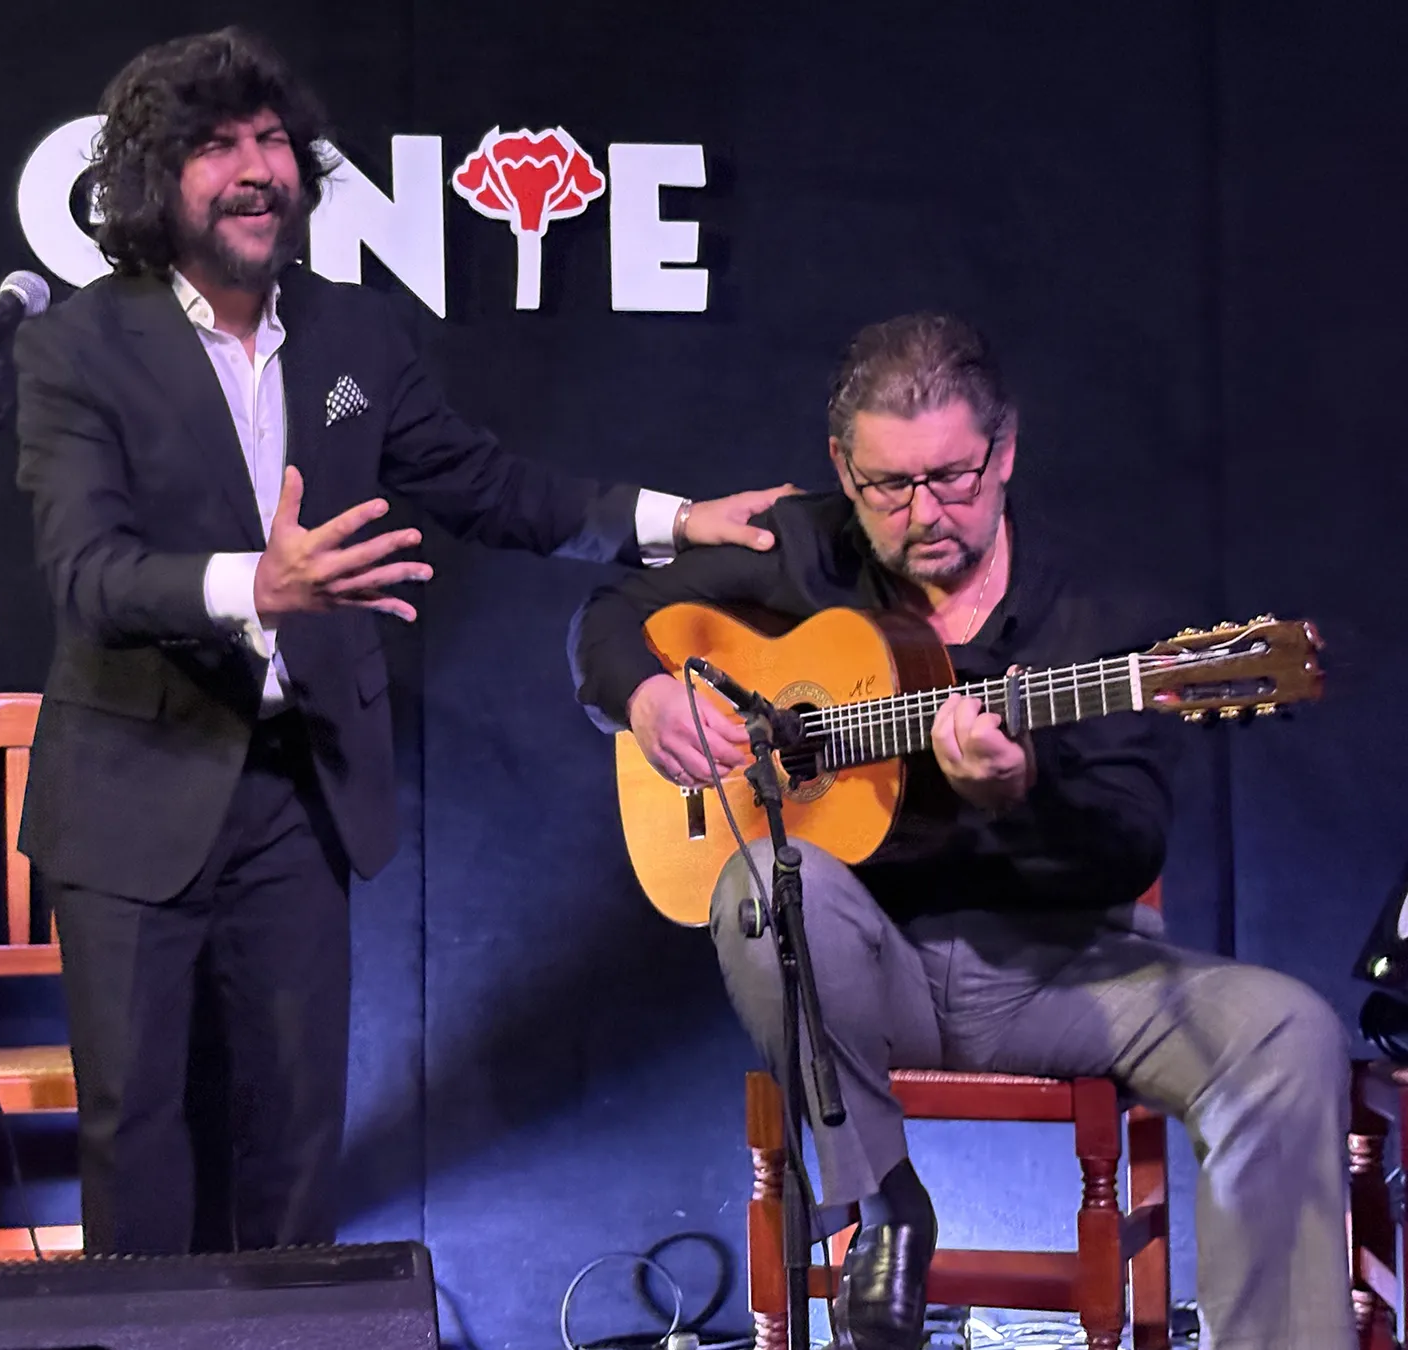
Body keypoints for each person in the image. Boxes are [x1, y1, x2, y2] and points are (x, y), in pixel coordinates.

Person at [12, 27, 791, 1256]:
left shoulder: (354, 339)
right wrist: (256, 586)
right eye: (218, 145)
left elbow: (487, 484)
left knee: (294, 1131)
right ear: (156, 180)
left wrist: (671, 521)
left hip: (297, 787)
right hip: (128, 792)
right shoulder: (78, 348)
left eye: (273, 140)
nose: (258, 167)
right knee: (138, 1127)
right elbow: (89, 575)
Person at [568, 313, 1353, 1350]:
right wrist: (649, 701)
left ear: (1006, 452)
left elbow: (1131, 843)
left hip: (1057, 975)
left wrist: (1018, 793)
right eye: (889, 486)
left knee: (1288, 1030)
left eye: (954, 478)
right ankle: (889, 1205)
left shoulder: (1095, 618)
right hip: (858, 977)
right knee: (765, 877)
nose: (925, 512)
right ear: (842, 467)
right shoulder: (802, 550)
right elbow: (610, 620)